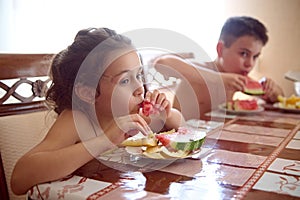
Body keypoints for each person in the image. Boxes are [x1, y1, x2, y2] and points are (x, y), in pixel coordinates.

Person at [11, 28, 184, 195]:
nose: (139, 88)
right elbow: (19, 179)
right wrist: (105, 140)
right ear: (88, 92)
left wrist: (167, 115)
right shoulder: (77, 120)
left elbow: (182, 128)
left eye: (138, 76)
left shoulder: (133, 114)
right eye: (124, 81)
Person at [154, 16, 284, 118]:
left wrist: (273, 90)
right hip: (180, 141)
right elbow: (162, 63)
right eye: (244, 54)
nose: (250, 63)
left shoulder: (236, 79)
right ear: (220, 49)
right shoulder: (201, 69)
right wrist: (218, 78)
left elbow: (277, 98)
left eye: (255, 56)